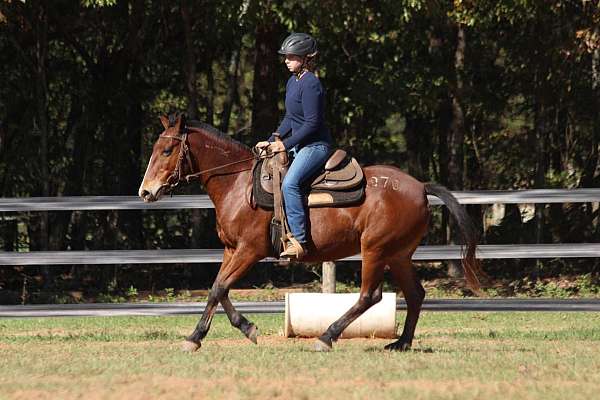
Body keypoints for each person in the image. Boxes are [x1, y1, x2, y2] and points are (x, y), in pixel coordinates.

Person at [255, 32, 333, 259]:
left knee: (290, 184)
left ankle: (298, 241)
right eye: (286, 56)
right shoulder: (292, 81)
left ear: (306, 58)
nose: (286, 60)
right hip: (296, 144)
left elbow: (312, 123)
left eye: (291, 56)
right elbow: (290, 118)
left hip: (315, 145)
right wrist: (272, 140)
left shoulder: (311, 84)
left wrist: (284, 145)